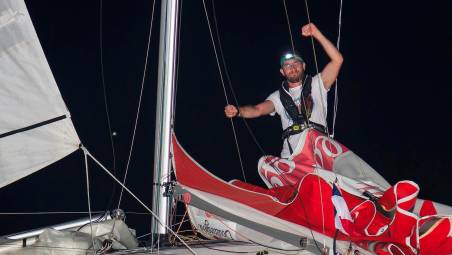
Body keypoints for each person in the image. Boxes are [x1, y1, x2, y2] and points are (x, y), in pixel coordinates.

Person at [224, 23, 343, 158]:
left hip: (320, 152)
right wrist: (238, 111)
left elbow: (337, 60)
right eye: (287, 65)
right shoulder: (277, 96)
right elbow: (257, 110)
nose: (292, 67)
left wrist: (316, 33)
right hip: (292, 158)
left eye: (295, 63)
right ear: (282, 71)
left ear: (303, 66)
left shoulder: (317, 84)